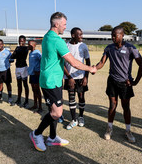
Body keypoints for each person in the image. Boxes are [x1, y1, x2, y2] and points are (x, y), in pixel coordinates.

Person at [29, 12, 97, 152]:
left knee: (53, 109)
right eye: (64, 24)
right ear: (56, 24)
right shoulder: (56, 40)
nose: (65, 27)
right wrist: (90, 68)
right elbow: (73, 62)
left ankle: (52, 137)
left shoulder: (47, 36)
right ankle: (36, 134)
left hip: (55, 80)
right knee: (57, 113)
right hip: (50, 82)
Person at [95, 26, 142, 143]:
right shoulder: (109, 48)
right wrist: (93, 68)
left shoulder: (131, 48)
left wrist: (135, 81)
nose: (112, 37)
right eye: (112, 35)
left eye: (115, 35)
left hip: (125, 83)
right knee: (112, 105)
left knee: (126, 107)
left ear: (122, 35)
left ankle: (128, 130)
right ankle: (109, 128)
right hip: (112, 81)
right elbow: (102, 62)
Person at [64, 27, 90, 130]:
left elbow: (88, 62)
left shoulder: (83, 46)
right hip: (69, 78)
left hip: (81, 77)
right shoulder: (66, 46)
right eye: (79, 35)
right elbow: (63, 64)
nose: (81, 37)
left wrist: (86, 77)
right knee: (71, 98)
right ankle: (74, 119)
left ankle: (81, 117)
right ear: (73, 35)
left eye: (82, 34)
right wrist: (69, 77)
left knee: (81, 97)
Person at [0, 39, 14, 105]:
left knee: (8, 84)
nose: (0, 45)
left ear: (3, 44)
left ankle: (10, 97)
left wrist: (8, 62)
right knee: (0, 84)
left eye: (1, 44)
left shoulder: (7, 52)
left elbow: (12, 59)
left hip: (6, 70)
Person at [11, 35, 29, 108]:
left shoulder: (26, 48)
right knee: (19, 84)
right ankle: (19, 99)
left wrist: (16, 52)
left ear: (24, 41)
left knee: (25, 84)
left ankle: (26, 100)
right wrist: (15, 52)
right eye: (19, 41)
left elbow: (21, 55)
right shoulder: (17, 48)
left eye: (22, 41)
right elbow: (12, 56)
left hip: (23, 68)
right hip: (17, 67)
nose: (20, 42)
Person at [27, 40, 43, 113]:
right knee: (33, 90)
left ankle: (40, 107)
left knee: (37, 90)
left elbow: (42, 62)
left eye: (29, 45)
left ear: (33, 45)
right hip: (32, 74)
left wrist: (39, 70)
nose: (28, 46)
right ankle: (35, 105)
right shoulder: (30, 53)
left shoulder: (37, 53)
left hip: (36, 74)